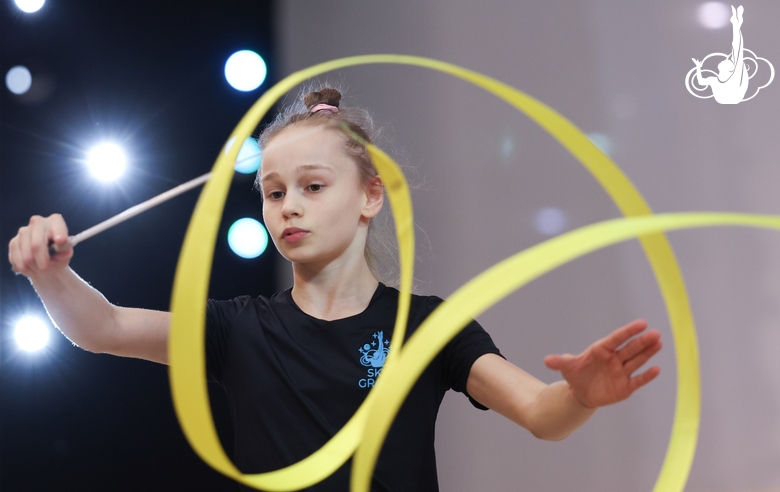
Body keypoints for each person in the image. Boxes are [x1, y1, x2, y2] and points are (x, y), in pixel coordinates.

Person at [8, 86, 663, 491]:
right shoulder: (236, 328)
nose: (287, 206)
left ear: (370, 195)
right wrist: (51, 272)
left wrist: (580, 396)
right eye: (273, 192)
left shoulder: (427, 326)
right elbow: (104, 329)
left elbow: (542, 416)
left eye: (312, 186)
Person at [692, 5, 748, 104]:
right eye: (728, 60)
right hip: (725, 100)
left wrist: (736, 26)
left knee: (737, 50)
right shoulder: (714, 80)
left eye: (728, 61)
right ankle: (736, 23)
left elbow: (737, 48)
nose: (725, 59)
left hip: (732, 98)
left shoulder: (734, 77)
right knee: (737, 51)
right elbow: (701, 82)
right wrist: (698, 67)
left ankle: (736, 23)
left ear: (729, 69)